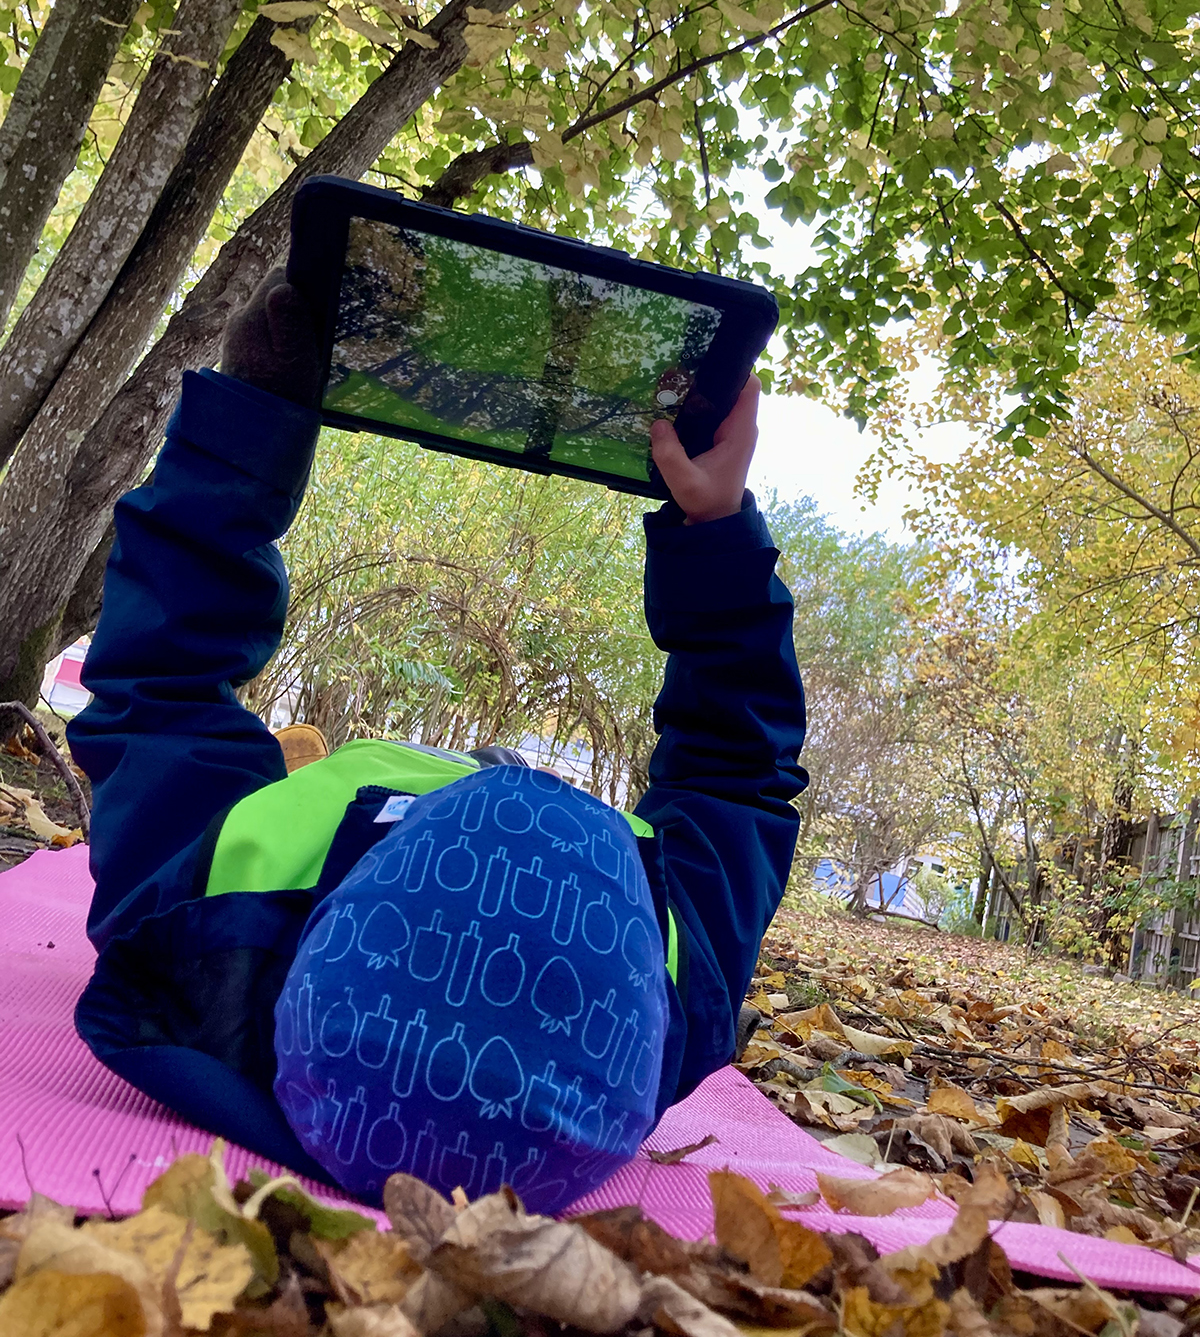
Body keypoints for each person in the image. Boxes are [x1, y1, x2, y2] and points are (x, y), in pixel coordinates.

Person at [68, 269, 808, 1211]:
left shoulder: (206, 919)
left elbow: (154, 681)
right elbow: (740, 774)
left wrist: (251, 413)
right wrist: (716, 531)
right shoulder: (682, 984)